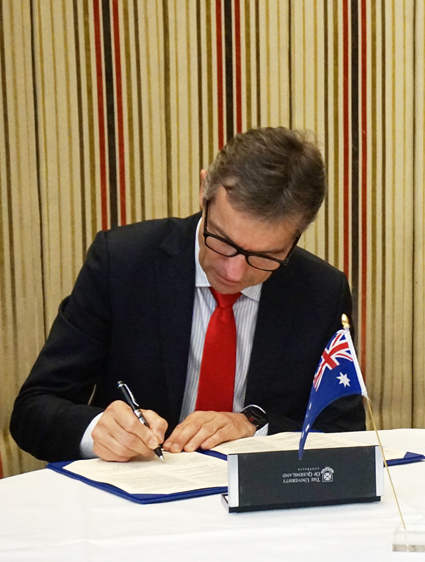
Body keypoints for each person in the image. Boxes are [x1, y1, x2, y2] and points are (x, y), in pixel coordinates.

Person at [11, 127, 365, 463]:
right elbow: (34, 409)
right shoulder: (123, 263)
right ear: (204, 190)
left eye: (265, 256)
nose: (234, 272)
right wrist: (97, 431)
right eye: (222, 241)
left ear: (298, 235)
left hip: (262, 510)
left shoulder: (320, 291)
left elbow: (344, 434)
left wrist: (257, 427)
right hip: (135, 504)